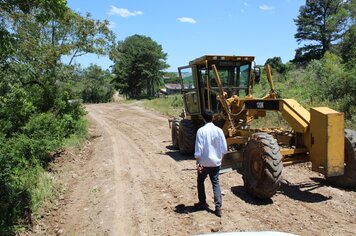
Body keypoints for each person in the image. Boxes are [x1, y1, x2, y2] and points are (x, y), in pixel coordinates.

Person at [194, 110, 227, 217]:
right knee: (216, 184)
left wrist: (198, 162)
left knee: (200, 181)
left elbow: (199, 149)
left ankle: (202, 203)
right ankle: (218, 208)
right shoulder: (219, 130)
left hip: (204, 163)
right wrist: (220, 159)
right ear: (212, 118)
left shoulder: (201, 131)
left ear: (203, 119)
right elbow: (224, 149)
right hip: (216, 163)